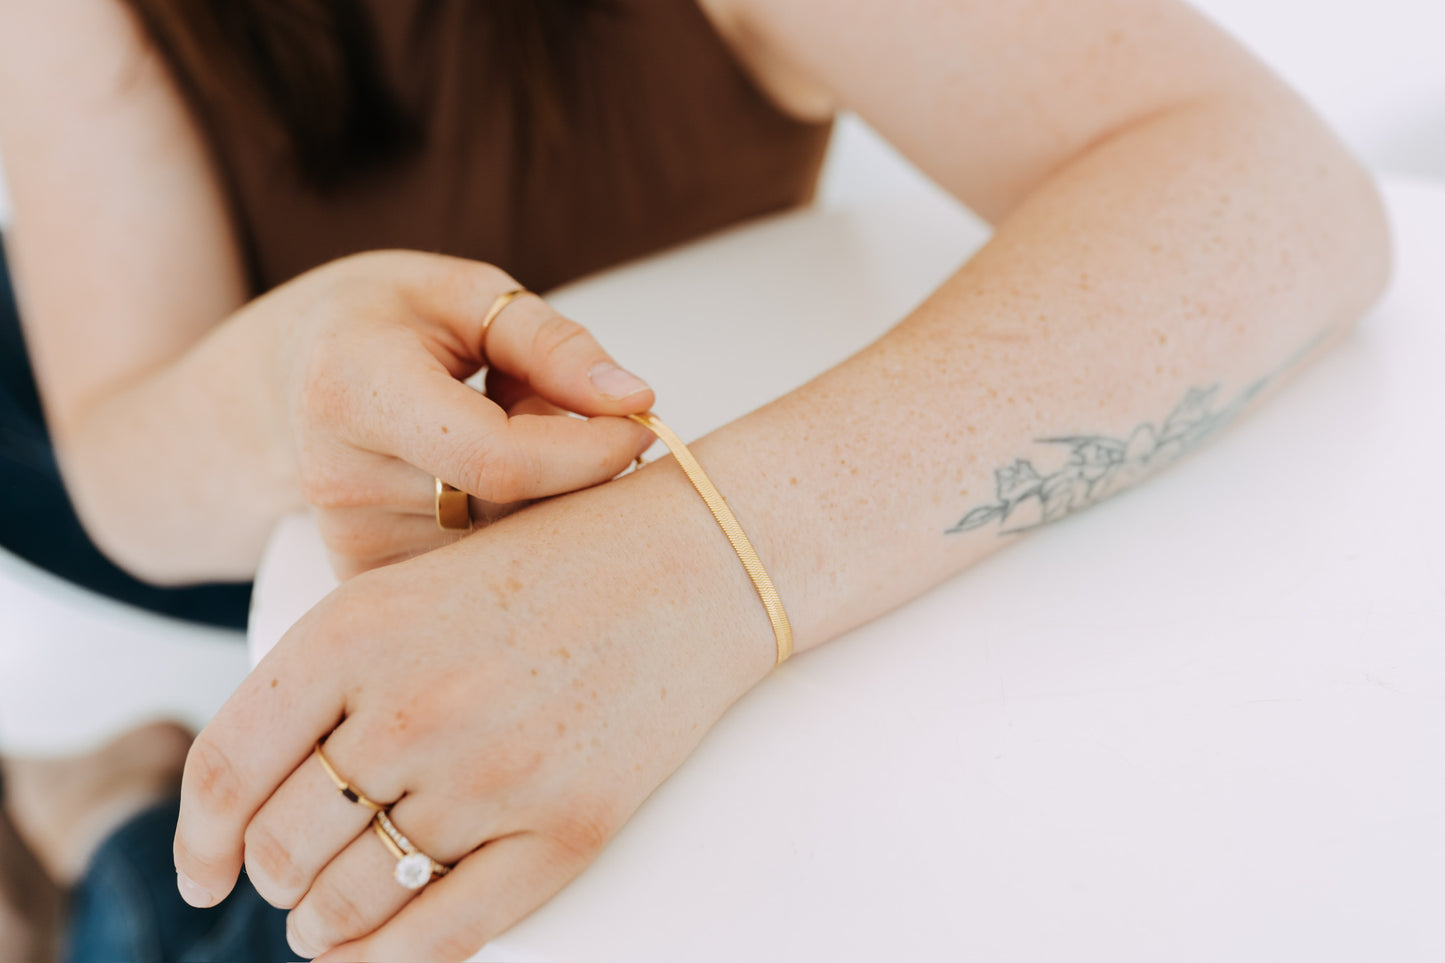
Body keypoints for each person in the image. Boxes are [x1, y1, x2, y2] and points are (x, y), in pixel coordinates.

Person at [0, 0, 1389, 960]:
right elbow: (120, 463)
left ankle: (105, 817)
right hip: (267, 488)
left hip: (606, 498)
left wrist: (694, 572)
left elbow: (1275, 192)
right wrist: (287, 380)